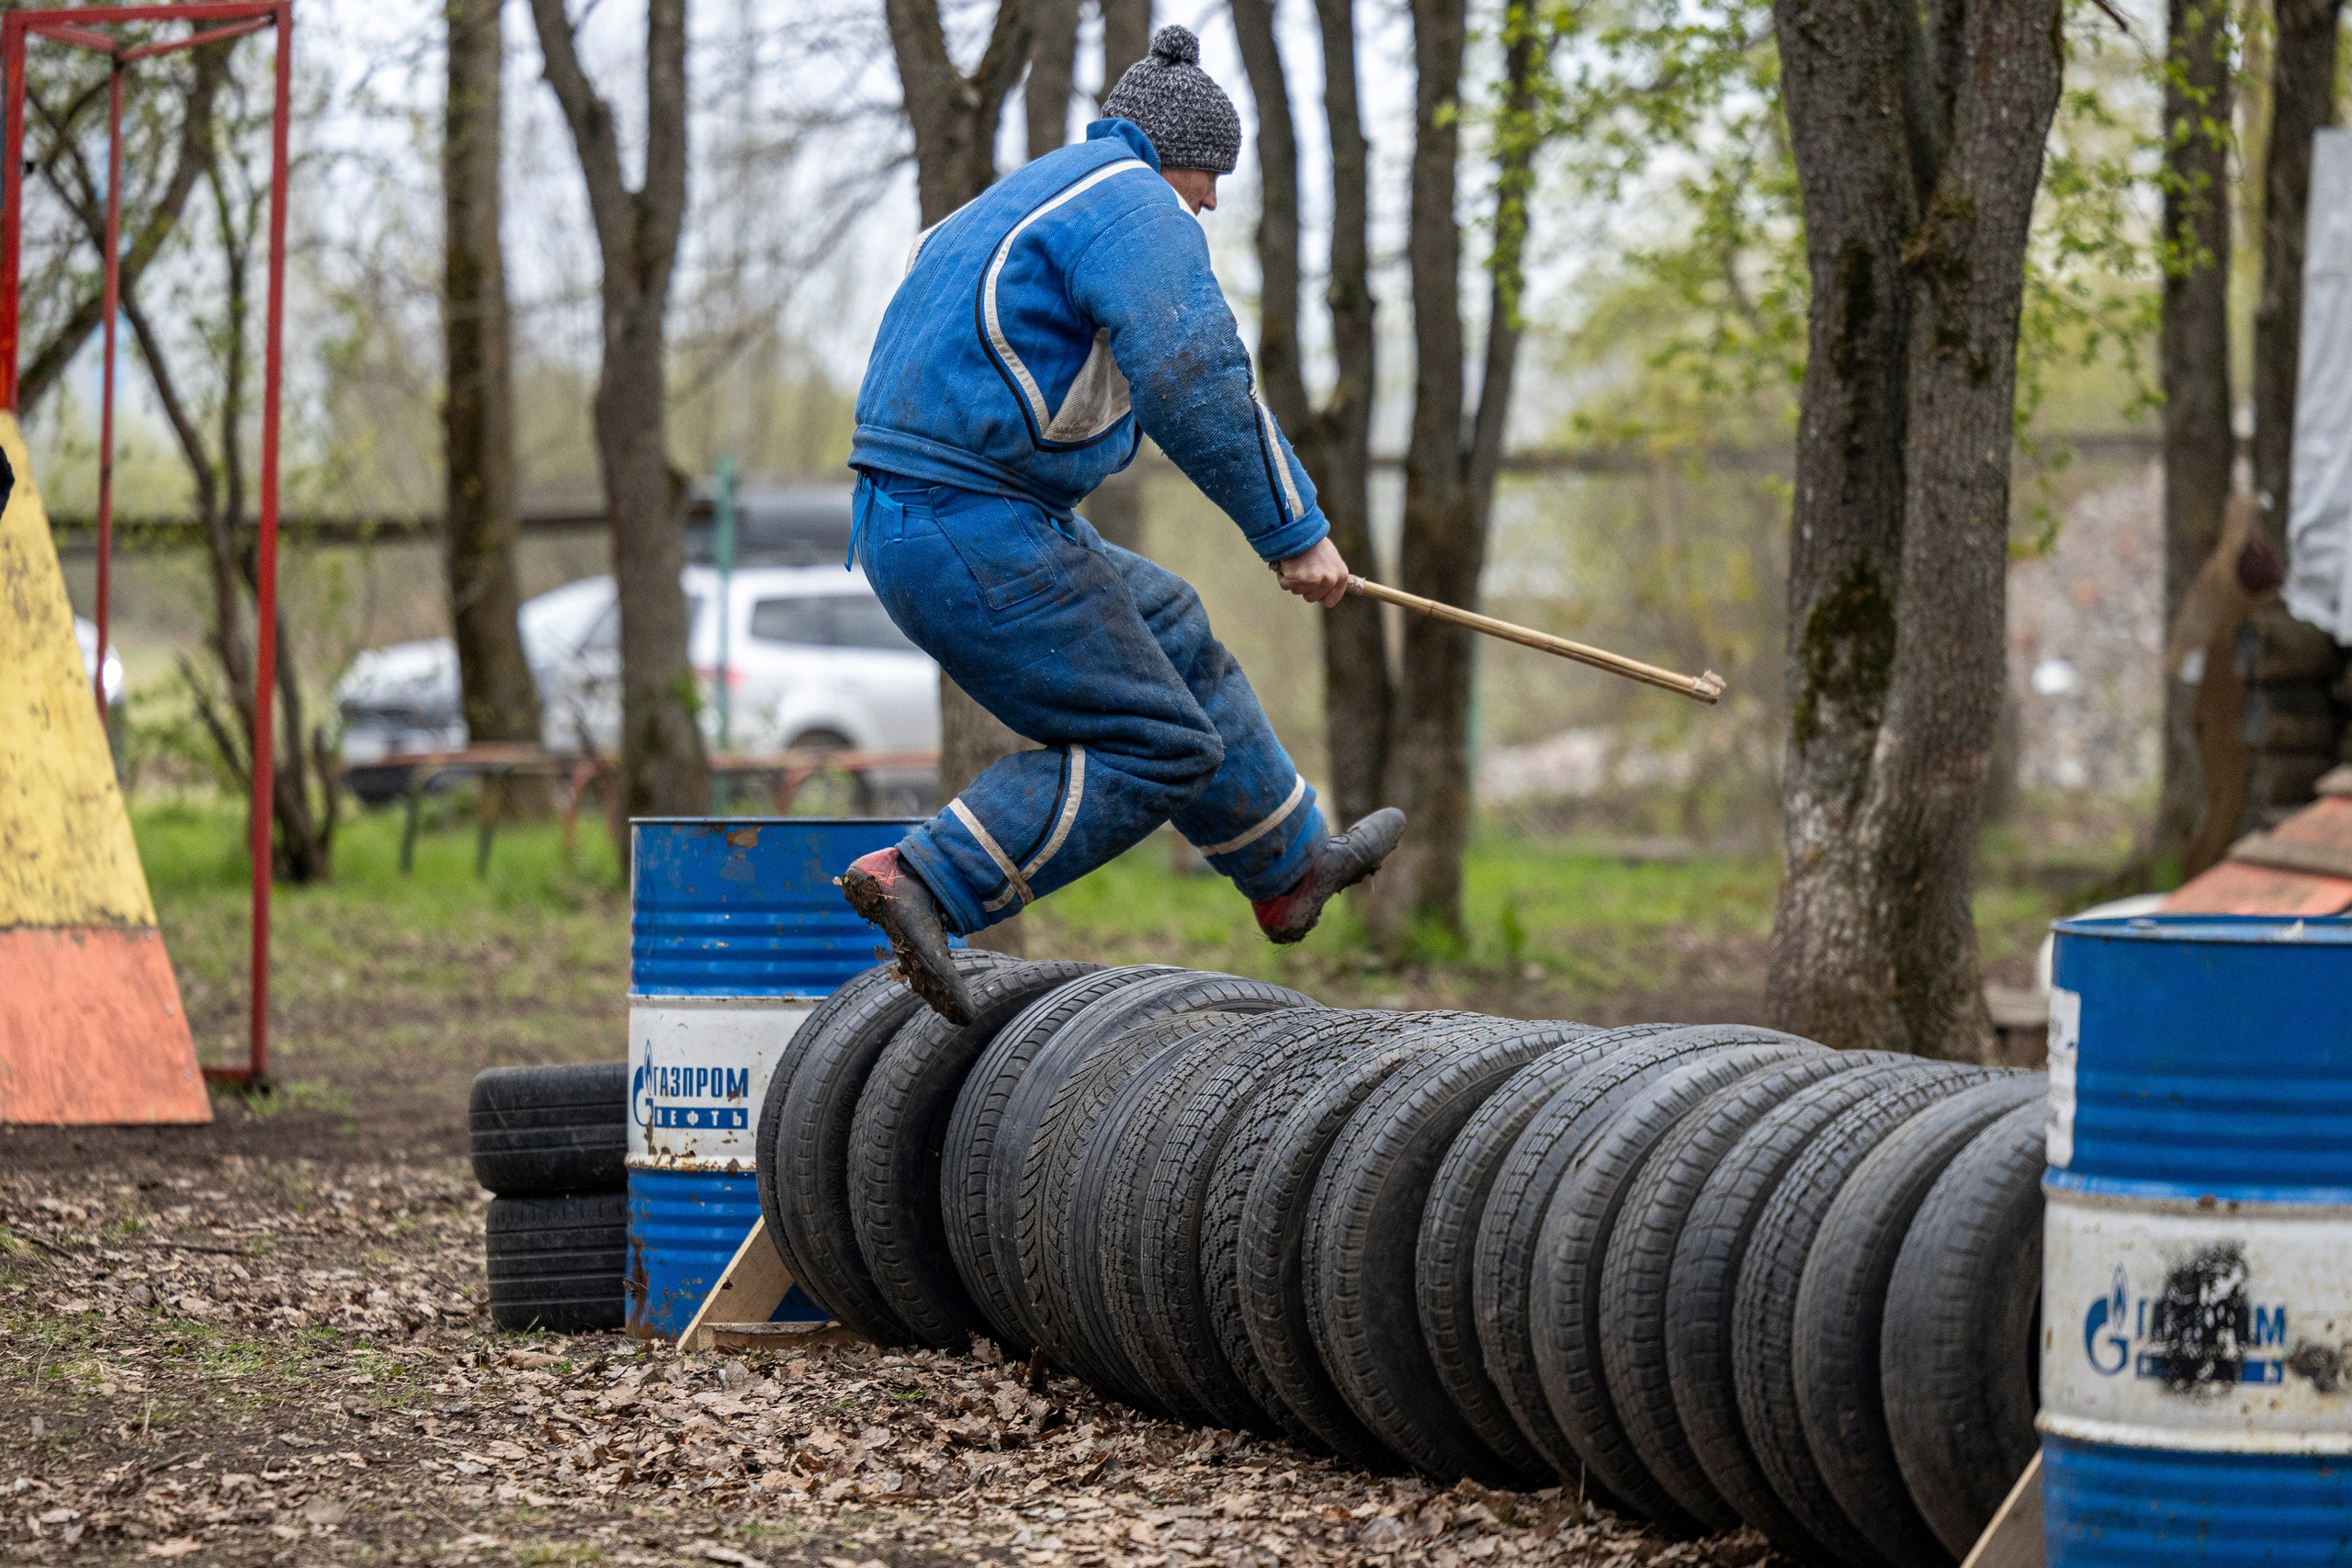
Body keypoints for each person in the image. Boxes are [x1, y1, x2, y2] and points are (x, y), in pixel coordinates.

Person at [838, 25, 1403, 1024]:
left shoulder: (1019, 199)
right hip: (968, 524)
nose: (1211, 199)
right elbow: (1195, 377)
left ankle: (1289, 867)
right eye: (1209, 173)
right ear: (1169, 152)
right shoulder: (1130, 204)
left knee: (1170, 622)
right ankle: (925, 878)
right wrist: (1294, 532)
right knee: (1157, 742)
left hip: (938, 516)